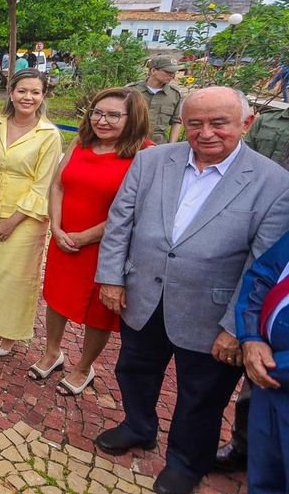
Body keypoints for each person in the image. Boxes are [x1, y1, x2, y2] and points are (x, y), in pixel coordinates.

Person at [94, 86, 289, 494]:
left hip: (212, 313)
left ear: (246, 123)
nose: (206, 133)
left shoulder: (274, 183)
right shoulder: (152, 160)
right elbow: (120, 221)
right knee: (134, 369)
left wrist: (238, 326)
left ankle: (186, 461)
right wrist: (111, 277)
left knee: (201, 395)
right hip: (143, 296)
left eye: (219, 123)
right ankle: (139, 425)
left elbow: (263, 264)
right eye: (195, 123)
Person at [31, 87, 151, 394]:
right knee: (56, 298)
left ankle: (84, 367)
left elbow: (136, 210)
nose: (102, 120)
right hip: (64, 238)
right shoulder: (81, 142)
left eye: (113, 115)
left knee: (99, 310)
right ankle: (52, 352)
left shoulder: (145, 154)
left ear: (132, 118)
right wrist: (56, 227)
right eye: (97, 112)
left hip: (105, 246)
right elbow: (58, 185)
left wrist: (85, 236)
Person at [213, 102, 289, 471]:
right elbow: (264, 270)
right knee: (257, 404)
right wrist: (249, 334)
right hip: (268, 346)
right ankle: (244, 446)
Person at [0, 69, 61, 357]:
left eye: (35, 92)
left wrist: (13, 221)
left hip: (25, 218)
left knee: (16, 278)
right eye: (22, 91)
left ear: (43, 96)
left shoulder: (49, 135)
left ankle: (9, 332)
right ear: (11, 92)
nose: (28, 97)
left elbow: (43, 184)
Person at [235, 229, 289, 493]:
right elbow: (263, 274)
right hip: (268, 385)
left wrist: (274, 364)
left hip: (274, 371)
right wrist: (252, 337)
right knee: (264, 478)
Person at [128, 55, 183, 144]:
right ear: (153, 71)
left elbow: (176, 122)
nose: (172, 76)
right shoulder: (131, 90)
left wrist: (171, 145)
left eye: (174, 72)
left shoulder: (174, 95)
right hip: (131, 142)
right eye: (168, 72)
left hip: (158, 145)